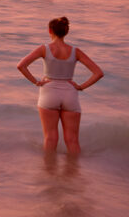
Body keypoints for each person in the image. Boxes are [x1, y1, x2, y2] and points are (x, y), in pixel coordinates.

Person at [16, 16, 103, 154]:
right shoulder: (76, 51)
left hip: (49, 93)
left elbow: (21, 65)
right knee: (72, 140)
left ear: (49, 30)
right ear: (66, 32)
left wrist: (36, 82)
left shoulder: (44, 49)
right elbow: (98, 73)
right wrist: (81, 86)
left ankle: (49, 171)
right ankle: (74, 172)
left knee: (50, 138)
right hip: (70, 94)